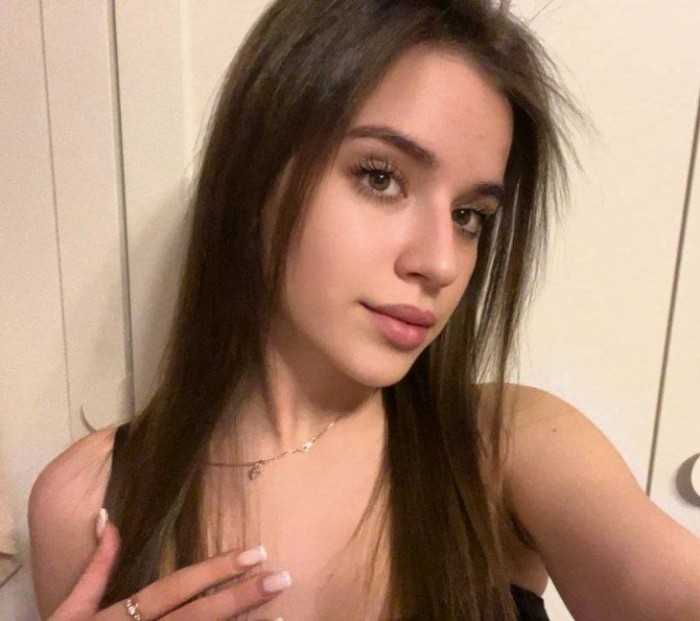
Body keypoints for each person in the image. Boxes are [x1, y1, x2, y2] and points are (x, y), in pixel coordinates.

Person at [28, 1, 700, 620]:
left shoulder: (507, 449)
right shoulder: (88, 501)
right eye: (381, 177)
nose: (441, 262)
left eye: (469, 215)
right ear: (256, 174)